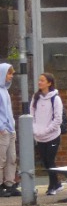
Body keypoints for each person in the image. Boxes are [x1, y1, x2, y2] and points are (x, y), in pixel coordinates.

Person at [31, 72, 65, 196]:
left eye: (42, 80)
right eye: (39, 80)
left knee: (50, 160)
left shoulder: (55, 98)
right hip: (39, 136)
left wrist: (46, 130)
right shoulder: (36, 98)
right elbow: (32, 116)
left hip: (52, 136)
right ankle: (57, 183)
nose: (39, 82)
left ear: (49, 83)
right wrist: (35, 130)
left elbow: (57, 119)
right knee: (45, 161)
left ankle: (52, 187)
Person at [0, 63, 19, 198]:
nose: (11, 76)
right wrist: (1, 128)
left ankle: (10, 184)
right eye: (9, 73)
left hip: (10, 130)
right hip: (3, 130)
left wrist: (12, 127)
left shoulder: (5, 91)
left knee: (11, 158)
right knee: (1, 159)